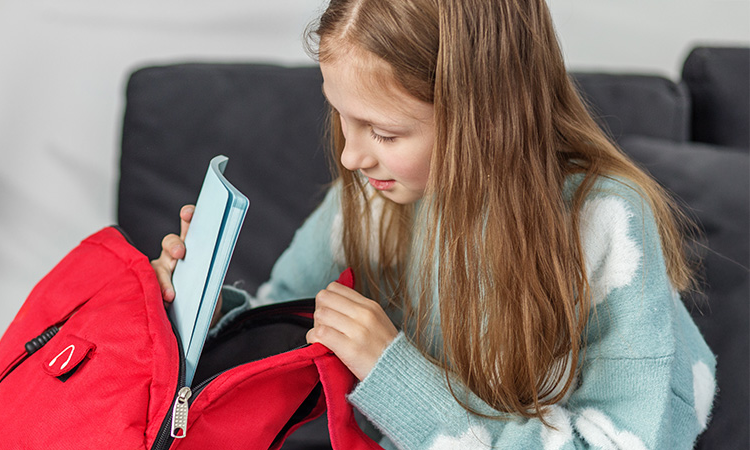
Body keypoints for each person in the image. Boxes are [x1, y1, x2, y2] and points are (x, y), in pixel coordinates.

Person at [151, 0, 717, 448]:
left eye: (385, 133)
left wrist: (392, 370)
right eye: (341, 116)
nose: (350, 158)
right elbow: (286, 332)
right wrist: (198, 307)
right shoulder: (370, 200)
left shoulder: (603, 225)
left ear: (486, 117)